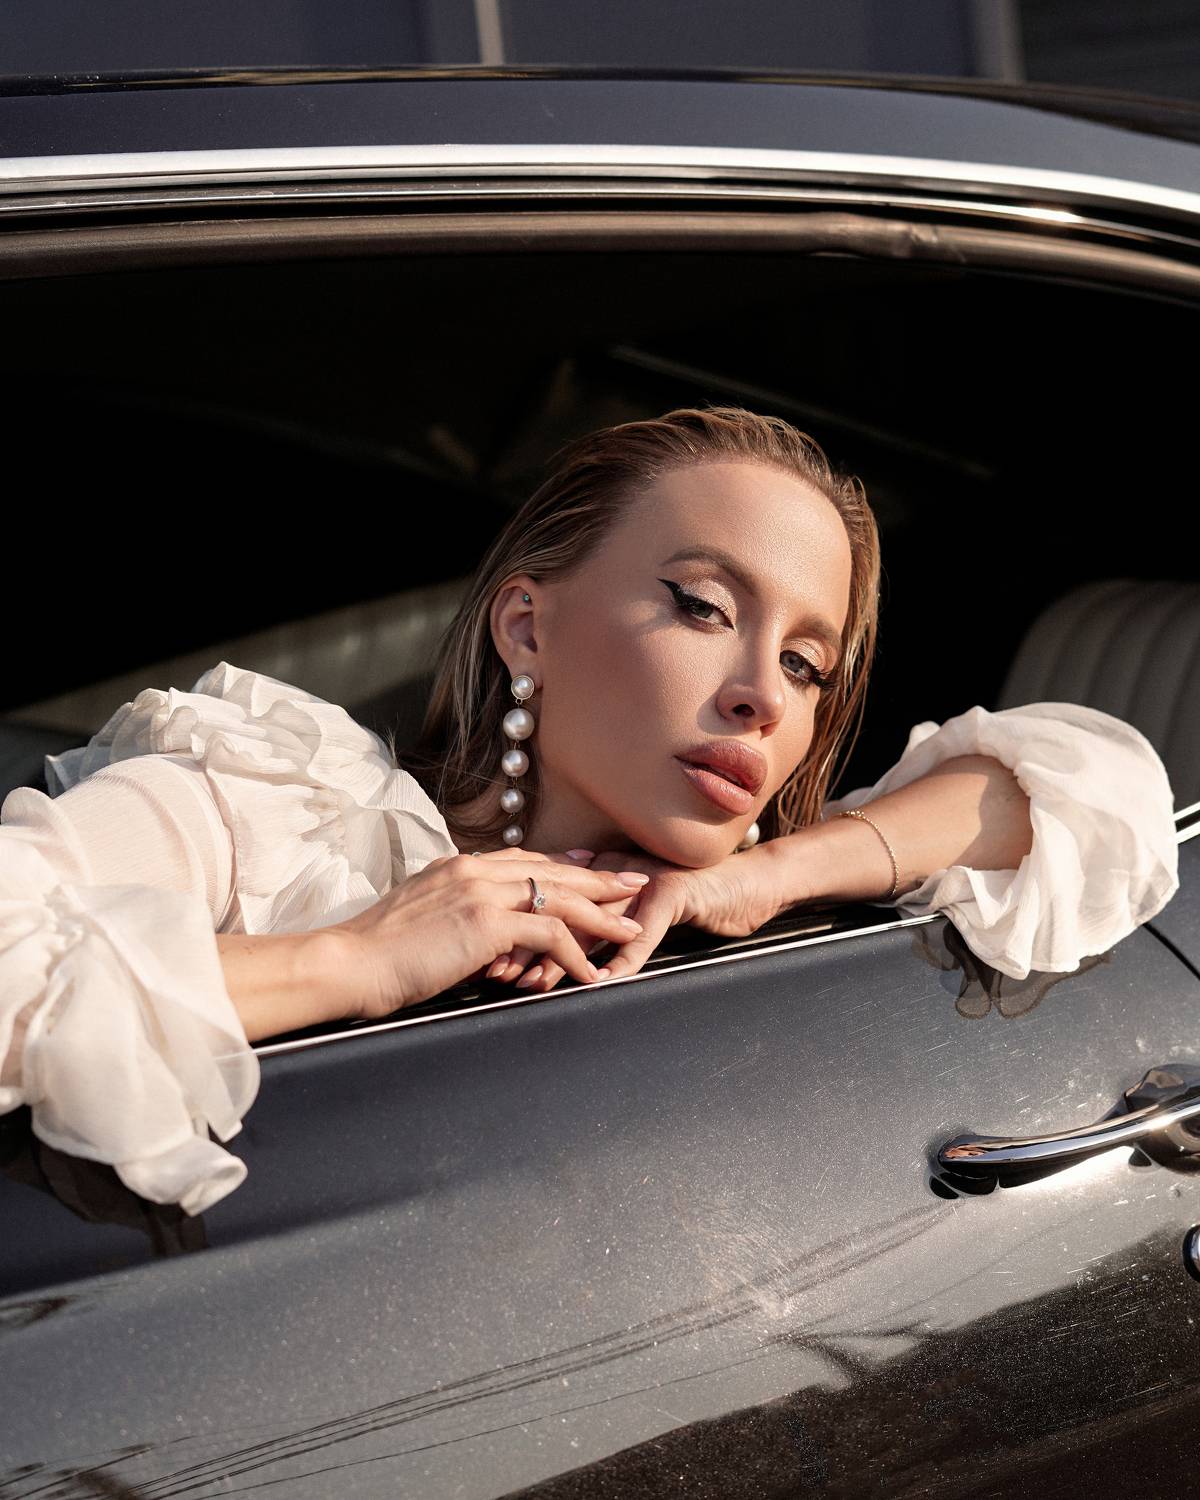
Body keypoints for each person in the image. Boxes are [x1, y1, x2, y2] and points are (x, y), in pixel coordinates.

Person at [0, 407, 1179, 1216]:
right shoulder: (266, 804)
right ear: (528, 627)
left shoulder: (759, 919)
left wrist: (764, 876)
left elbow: (1090, 786)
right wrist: (355, 956)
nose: (764, 695)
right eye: (705, 606)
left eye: (807, 664)